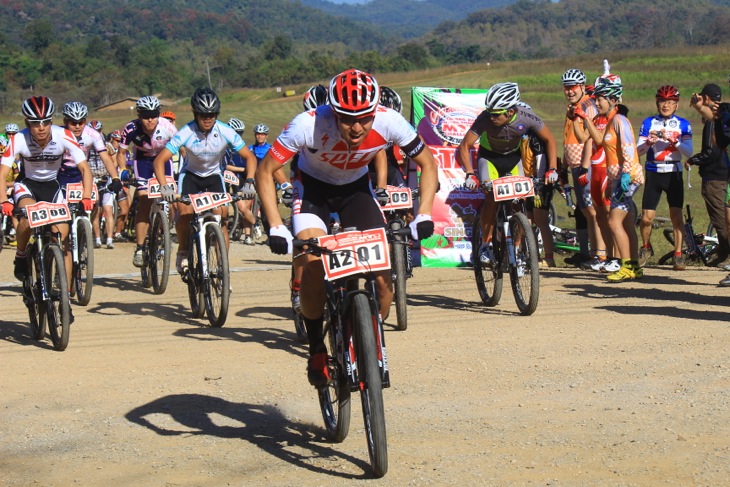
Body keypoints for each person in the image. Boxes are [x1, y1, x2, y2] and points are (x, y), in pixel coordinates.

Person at [255, 69, 438, 387]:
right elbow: (266, 170)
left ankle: (365, 338)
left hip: (356, 190)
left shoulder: (389, 121)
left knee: (383, 281)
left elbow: (428, 164)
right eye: (347, 119)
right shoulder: (308, 125)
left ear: (375, 111)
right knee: (312, 265)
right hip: (313, 191)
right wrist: (274, 225)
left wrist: (423, 214)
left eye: (364, 118)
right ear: (333, 111)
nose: (356, 127)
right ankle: (316, 350)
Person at [0, 96, 95, 321]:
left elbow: (84, 168)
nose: (41, 128)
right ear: (27, 123)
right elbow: (3, 173)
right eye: (35, 123)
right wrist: (4, 199)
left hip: (53, 187)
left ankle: (64, 296)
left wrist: (86, 196)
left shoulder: (64, 135)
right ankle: (21, 255)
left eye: (45, 122)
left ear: (51, 121)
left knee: (63, 239)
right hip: (27, 186)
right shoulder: (19, 139)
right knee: (26, 218)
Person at [152, 87, 257, 275]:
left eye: (211, 114)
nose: (207, 119)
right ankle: (183, 251)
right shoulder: (186, 132)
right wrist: (165, 187)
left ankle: (222, 266)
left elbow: (250, 157)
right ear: (195, 113)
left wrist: (249, 181)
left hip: (214, 176)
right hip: (190, 176)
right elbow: (159, 160)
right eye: (202, 115)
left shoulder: (225, 131)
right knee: (184, 213)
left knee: (222, 216)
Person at [457, 82, 558, 267]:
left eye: (496, 114)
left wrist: (552, 168)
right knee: (491, 198)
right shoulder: (485, 118)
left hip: (513, 159)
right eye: (490, 112)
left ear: (511, 112)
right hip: (489, 159)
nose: (492, 117)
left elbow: (549, 139)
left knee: (519, 204)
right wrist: (470, 174)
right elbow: (465, 146)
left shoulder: (526, 117)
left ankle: (517, 249)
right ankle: (486, 246)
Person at [574, 75, 644, 281]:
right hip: (618, 178)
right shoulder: (611, 120)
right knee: (627, 223)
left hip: (628, 177)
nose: (597, 103)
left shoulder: (620, 120)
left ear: (613, 100)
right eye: (596, 99)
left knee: (614, 221)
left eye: (601, 99)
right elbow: (594, 140)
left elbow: (629, 148)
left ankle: (626, 266)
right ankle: (634, 266)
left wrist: (624, 175)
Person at [636, 85, 693, 270]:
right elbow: (638, 152)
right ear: (656, 102)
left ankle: (678, 254)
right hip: (653, 172)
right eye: (662, 101)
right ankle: (645, 247)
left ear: (676, 105)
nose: (665, 105)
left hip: (673, 173)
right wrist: (648, 142)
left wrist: (673, 140)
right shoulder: (648, 122)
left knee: (676, 216)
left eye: (670, 102)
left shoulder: (683, 124)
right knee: (646, 218)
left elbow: (689, 152)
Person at [117, 96, 178, 268]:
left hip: (164, 160)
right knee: (144, 199)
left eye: (153, 115)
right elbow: (121, 153)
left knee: (171, 200)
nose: (150, 119)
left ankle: (165, 229)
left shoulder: (168, 127)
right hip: (142, 162)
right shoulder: (130, 128)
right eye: (145, 116)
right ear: (139, 115)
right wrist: (122, 171)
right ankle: (140, 247)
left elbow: (182, 149)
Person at [58, 103, 123, 250]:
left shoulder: (93, 134)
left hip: (82, 173)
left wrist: (115, 177)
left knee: (92, 203)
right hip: (60, 172)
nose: (77, 126)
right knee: (61, 211)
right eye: (72, 123)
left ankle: (84, 233)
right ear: (65, 122)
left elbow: (105, 158)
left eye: (81, 122)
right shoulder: (58, 133)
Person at [687, 84, 730, 274]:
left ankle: (725, 253)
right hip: (723, 174)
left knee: (721, 219)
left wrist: (694, 160)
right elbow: (712, 113)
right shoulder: (720, 115)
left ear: (706, 97)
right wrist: (698, 106)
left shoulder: (718, 120)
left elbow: (710, 151)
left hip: (716, 175)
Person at [562, 68, 602, 269]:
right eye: (567, 88)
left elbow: (589, 139)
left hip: (585, 166)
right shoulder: (573, 107)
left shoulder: (587, 106)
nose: (569, 91)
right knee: (583, 211)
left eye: (573, 87)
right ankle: (587, 252)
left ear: (581, 86)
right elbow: (568, 138)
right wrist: (563, 166)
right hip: (575, 165)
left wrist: (585, 167)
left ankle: (598, 254)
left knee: (592, 211)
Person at [223, 116, 257, 245]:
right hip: (230, 177)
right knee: (241, 207)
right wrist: (241, 169)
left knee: (245, 207)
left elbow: (250, 160)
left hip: (244, 177)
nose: (239, 136)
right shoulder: (224, 147)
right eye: (237, 133)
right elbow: (224, 165)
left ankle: (248, 235)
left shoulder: (242, 147)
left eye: (240, 133)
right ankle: (255, 223)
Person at [105, 129, 131, 242]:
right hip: (108, 181)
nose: (118, 143)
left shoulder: (126, 152)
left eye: (121, 141)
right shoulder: (106, 148)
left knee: (125, 209)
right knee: (103, 209)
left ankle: (118, 232)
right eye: (117, 141)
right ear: (112, 139)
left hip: (121, 183)